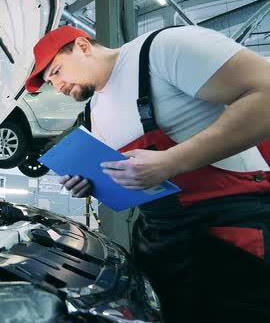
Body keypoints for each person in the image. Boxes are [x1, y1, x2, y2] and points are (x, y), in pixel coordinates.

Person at [25, 24, 270, 322]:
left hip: (229, 234)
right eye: (51, 82)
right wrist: (91, 183)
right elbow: (136, 177)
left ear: (83, 46)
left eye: (57, 71)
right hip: (161, 241)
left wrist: (171, 162)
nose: (58, 86)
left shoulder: (164, 50)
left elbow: (266, 92)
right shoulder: (94, 112)